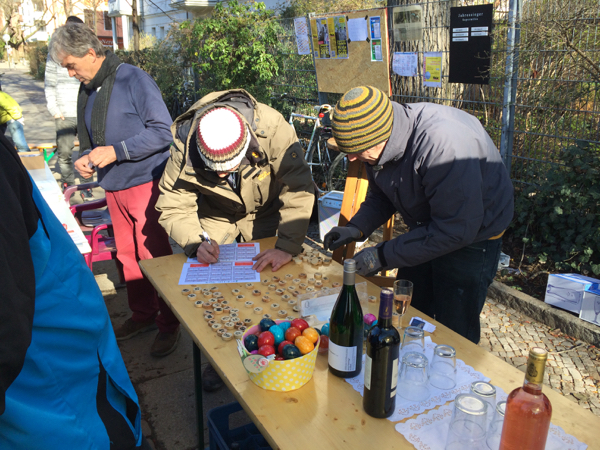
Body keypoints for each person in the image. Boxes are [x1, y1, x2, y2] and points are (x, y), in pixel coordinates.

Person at [323, 86, 514, 344]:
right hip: (430, 226)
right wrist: (356, 228)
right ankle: (406, 356)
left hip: (474, 234)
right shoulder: (377, 144)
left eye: (357, 151)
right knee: (410, 311)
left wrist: (381, 255)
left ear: (381, 138)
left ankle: (452, 366)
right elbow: (382, 196)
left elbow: (455, 229)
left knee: (454, 329)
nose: (352, 158)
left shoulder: (444, 147)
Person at [156, 89, 315, 389]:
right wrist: (194, 242)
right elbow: (174, 204)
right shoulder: (184, 144)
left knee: (272, 287)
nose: (220, 176)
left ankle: (273, 348)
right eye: (213, 170)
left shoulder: (273, 128)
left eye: (228, 168)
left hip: (265, 214)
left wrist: (287, 245)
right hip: (216, 219)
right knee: (222, 296)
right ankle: (222, 359)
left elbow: (298, 188)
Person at [0, 135, 151, 449]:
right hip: (40, 376)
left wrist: (117, 151)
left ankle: (151, 317)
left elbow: (8, 321)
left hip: (55, 362)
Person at [49, 23, 180, 357]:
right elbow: (92, 137)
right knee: (126, 256)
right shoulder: (89, 89)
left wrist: (117, 151)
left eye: (71, 65)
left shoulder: (133, 79)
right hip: (113, 185)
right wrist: (84, 156)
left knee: (153, 256)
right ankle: (144, 314)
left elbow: (163, 132)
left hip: (145, 183)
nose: (70, 74)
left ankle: (170, 324)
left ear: (91, 53)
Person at [45, 15, 93, 198]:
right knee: (64, 154)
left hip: (83, 112)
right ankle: (69, 186)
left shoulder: (87, 53)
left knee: (87, 153)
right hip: (64, 113)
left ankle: (87, 187)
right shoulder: (55, 56)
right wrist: (54, 110)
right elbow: (49, 84)